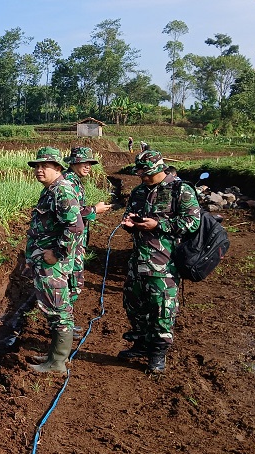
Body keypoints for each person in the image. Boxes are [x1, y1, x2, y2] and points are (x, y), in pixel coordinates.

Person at [120, 150, 201, 373]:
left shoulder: (180, 190)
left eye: (146, 172)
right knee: (134, 304)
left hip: (165, 263)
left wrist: (159, 226)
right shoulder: (138, 191)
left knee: (161, 308)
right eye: (140, 172)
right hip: (138, 261)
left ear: (159, 169)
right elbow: (130, 214)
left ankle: (157, 354)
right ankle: (141, 344)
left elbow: (193, 222)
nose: (142, 176)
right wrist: (129, 223)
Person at [23, 147, 85, 373]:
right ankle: (53, 356)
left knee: (59, 311)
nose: (39, 170)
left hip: (54, 265)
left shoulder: (62, 191)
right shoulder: (50, 190)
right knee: (54, 309)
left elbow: (75, 226)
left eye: (44, 166)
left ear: (58, 168)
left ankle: (57, 362)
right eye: (37, 166)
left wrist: (57, 253)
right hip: (46, 263)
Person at [63, 147, 113, 319]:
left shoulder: (75, 181)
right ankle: (63, 326)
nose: (88, 166)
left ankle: (64, 324)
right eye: (85, 163)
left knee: (74, 282)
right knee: (73, 284)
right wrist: (95, 209)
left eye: (90, 163)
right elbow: (71, 211)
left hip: (76, 240)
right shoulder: (68, 182)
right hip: (70, 241)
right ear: (74, 162)